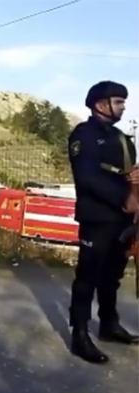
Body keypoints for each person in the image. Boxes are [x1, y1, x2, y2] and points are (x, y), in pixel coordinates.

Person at [68, 81, 139, 364]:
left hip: (122, 219)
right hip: (97, 217)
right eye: (118, 101)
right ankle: (79, 334)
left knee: (112, 276)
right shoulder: (83, 135)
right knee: (87, 277)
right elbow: (87, 178)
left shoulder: (122, 139)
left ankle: (109, 324)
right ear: (100, 104)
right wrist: (123, 199)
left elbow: (128, 176)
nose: (123, 106)